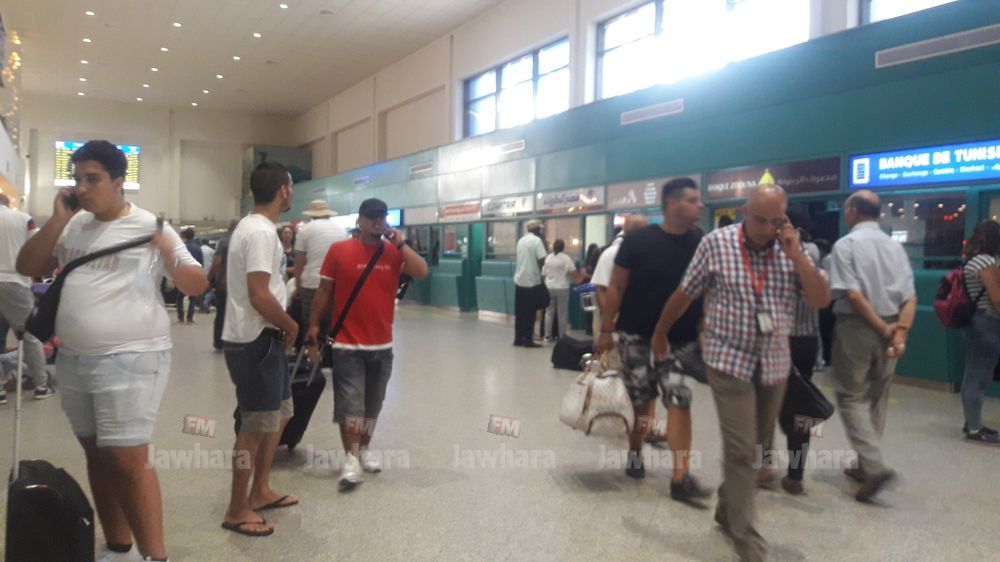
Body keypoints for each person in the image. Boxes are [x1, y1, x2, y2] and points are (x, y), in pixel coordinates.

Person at [17, 140, 207, 562]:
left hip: (132, 357)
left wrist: (166, 252)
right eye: (78, 179)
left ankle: (155, 556)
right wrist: (57, 219)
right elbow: (28, 266)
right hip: (74, 359)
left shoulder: (150, 225)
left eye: (94, 179)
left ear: (119, 182)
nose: (83, 188)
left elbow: (196, 284)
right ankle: (119, 547)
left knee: (127, 460)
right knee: (97, 454)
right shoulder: (71, 225)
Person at [651, 185, 829, 562]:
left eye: (775, 221)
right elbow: (685, 292)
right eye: (758, 219)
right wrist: (661, 331)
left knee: (758, 449)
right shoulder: (716, 244)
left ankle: (727, 505)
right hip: (728, 360)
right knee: (742, 449)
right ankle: (744, 531)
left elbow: (820, 299)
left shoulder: (793, 249)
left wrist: (797, 256)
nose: (765, 229)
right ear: (745, 212)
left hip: (774, 364)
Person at [596, 178, 711, 504]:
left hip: (680, 339)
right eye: (692, 200)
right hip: (636, 336)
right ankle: (635, 451)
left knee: (679, 399)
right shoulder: (638, 242)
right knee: (641, 400)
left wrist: (704, 327)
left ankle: (680, 475)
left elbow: (706, 288)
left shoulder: (700, 242)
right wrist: (606, 330)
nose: (699, 205)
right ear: (673, 204)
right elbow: (616, 287)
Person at [305, 198, 428, 491]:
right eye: (371, 217)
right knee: (351, 404)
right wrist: (313, 325)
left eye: (382, 217)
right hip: (347, 344)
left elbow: (421, 271)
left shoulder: (393, 252)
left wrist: (400, 243)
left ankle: (364, 449)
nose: (377, 222)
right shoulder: (339, 250)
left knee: (373, 404)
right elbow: (324, 291)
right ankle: (351, 459)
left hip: (382, 345)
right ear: (359, 221)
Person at [220, 161, 301, 537]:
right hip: (255, 341)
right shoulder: (259, 232)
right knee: (254, 426)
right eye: (291, 186)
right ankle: (237, 508)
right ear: (283, 190)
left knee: (280, 414)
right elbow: (258, 294)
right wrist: (290, 324)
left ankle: (261, 490)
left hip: (265, 338)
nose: (292, 192)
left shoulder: (258, 229)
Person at [828, 189, 916, 502]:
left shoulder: (846, 244)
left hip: (857, 328)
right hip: (892, 325)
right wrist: (898, 333)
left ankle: (874, 467)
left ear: (853, 209)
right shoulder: (895, 247)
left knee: (851, 396)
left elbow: (852, 294)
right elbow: (910, 297)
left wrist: (881, 328)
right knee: (878, 396)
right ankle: (865, 465)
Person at [0, 193, 54, 402]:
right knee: (30, 335)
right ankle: (41, 385)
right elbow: (38, 246)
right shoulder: (22, 218)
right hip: (15, 281)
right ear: (7, 204)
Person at [958, 220, 1000, 444]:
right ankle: (974, 427)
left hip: (977, 322)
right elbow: (997, 298)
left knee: (975, 373)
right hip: (987, 322)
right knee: (979, 376)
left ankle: (972, 421)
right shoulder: (986, 261)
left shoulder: (972, 259)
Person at [292, 199, 346, 351]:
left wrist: (298, 287)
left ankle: (313, 361)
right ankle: (331, 358)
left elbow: (299, 263)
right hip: (335, 285)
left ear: (312, 214)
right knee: (332, 326)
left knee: (312, 328)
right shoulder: (341, 231)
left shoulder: (305, 230)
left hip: (311, 284)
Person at [590, 215, 648, 341]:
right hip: (616, 324)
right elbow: (601, 290)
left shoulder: (648, 254)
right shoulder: (612, 254)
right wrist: (609, 322)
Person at [513, 220, 547, 348]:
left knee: (520, 312)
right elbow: (542, 259)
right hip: (532, 281)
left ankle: (518, 339)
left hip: (519, 280)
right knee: (530, 312)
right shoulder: (537, 241)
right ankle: (528, 340)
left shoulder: (521, 240)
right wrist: (542, 273)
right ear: (538, 230)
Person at [208, 220, 238, 350]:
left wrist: (208, 278)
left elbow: (217, 263)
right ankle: (235, 341)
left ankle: (219, 342)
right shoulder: (245, 241)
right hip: (241, 287)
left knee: (221, 314)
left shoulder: (224, 242)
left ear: (230, 228)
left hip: (224, 285)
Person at [542, 239, 577, 342]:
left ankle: (547, 336)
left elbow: (544, 273)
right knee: (562, 313)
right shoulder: (566, 258)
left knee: (549, 312)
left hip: (549, 286)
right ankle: (562, 336)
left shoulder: (548, 258)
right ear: (563, 247)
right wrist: (565, 273)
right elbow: (573, 271)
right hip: (562, 287)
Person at [176, 228, 204, 324]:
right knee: (193, 298)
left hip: (183, 275)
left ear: (184, 236)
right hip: (194, 275)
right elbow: (201, 263)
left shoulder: (181, 247)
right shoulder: (198, 248)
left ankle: (180, 316)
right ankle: (189, 318)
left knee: (180, 297)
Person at [199, 239, 216, 313]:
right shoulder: (212, 251)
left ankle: (201, 307)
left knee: (200, 291)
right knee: (209, 289)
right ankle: (206, 302)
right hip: (210, 273)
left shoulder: (199, 250)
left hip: (200, 273)